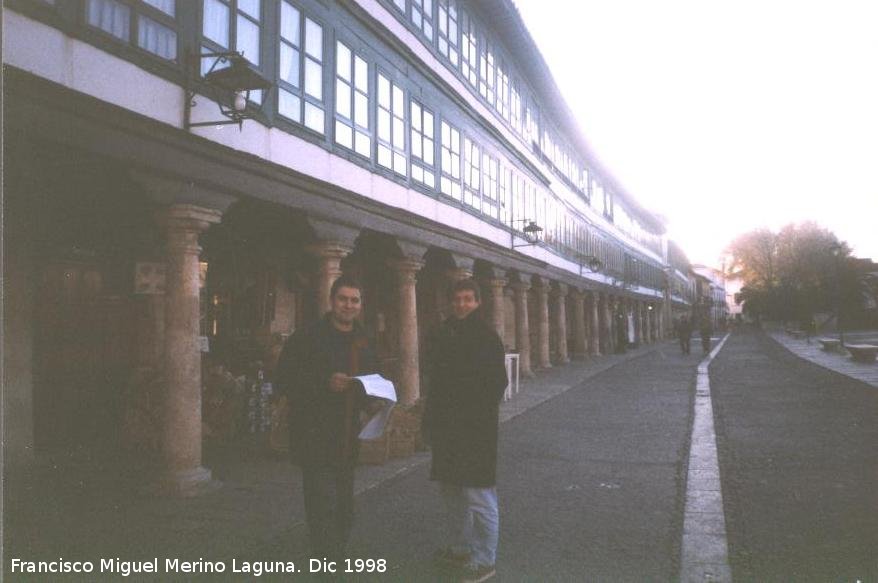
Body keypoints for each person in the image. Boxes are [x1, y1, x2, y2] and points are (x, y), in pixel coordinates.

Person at [274, 274, 379, 564]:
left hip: (347, 433)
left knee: (344, 501)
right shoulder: (307, 337)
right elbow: (283, 379)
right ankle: (326, 558)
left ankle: (337, 550)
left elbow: (372, 376)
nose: (348, 305)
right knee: (321, 501)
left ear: (360, 305)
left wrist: (374, 401)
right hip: (313, 432)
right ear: (332, 301)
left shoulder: (364, 339)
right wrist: (324, 382)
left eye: (354, 300)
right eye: (343, 299)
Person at [424, 279, 508, 583]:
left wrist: (470, 412)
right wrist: (430, 420)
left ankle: (486, 559)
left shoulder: (487, 337)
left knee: (479, 493)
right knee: (452, 491)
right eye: (457, 299)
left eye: (468, 299)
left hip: (474, 430)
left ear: (478, 302)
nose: (462, 304)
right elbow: (436, 381)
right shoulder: (445, 332)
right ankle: (461, 548)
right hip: (447, 428)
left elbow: (497, 384)